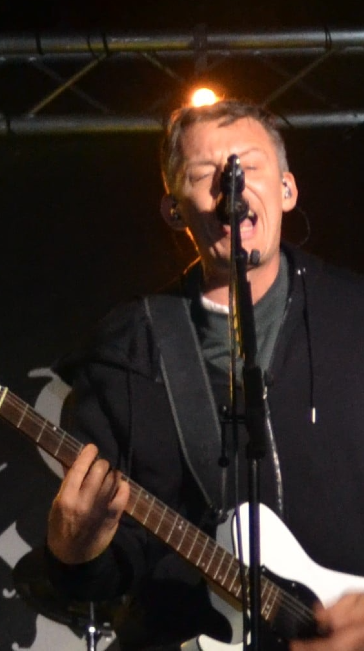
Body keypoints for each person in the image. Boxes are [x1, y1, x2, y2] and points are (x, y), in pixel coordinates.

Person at [27, 99, 364, 650]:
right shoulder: (127, 352)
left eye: (248, 167)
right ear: (175, 209)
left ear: (286, 190)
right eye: (206, 176)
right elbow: (107, 571)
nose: (229, 189)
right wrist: (74, 548)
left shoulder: (354, 316)